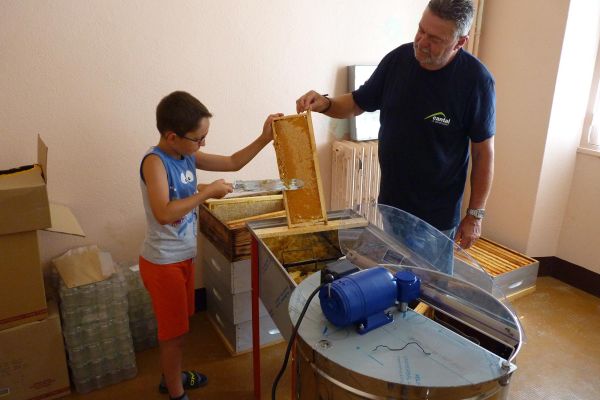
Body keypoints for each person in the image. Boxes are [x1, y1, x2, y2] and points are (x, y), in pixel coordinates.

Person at [296, 0, 494, 260]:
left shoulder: (476, 81)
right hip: (391, 205)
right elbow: (357, 102)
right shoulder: (398, 61)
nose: (421, 42)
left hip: (436, 217)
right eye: (420, 30)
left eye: (434, 39)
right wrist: (326, 104)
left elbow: (483, 154)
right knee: (395, 283)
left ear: (460, 42)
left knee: (430, 289)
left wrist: (475, 215)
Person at [139, 90, 282, 400]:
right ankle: (175, 392)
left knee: (179, 329)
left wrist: (264, 138)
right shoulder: (154, 162)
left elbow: (232, 162)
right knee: (173, 336)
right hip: (163, 264)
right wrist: (205, 193)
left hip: (182, 258)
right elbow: (164, 212)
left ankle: (171, 377)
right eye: (198, 139)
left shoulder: (185, 154)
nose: (202, 145)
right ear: (171, 136)